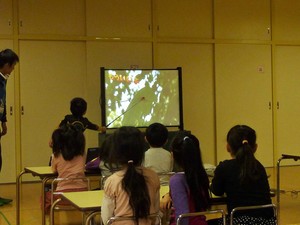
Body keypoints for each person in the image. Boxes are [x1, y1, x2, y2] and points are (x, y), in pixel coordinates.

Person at [210, 125, 275, 225]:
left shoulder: (224, 167)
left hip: (238, 220)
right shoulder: (259, 167)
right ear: (255, 147)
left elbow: (216, 191)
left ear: (228, 147)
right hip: (267, 222)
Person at [101, 126, 160, 225]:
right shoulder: (153, 176)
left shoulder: (112, 181)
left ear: (116, 152)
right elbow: (156, 211)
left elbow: (106, 218)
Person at [160, 131, 210, 225]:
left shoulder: (176, 180)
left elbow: (182, 216)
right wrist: (168, 195)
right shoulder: (200, 176)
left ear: (173, 155)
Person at [44, 124, 88, 213]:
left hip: (62, 194)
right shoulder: (82, 154)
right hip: (83, 192)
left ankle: (51, 219)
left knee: (44, 197)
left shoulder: (56, 155)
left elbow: (54, 170)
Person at [0, 48, 19, 206]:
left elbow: (2, 103)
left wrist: (3, 121)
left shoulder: (3, 79)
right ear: (6, 64)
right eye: (12, 66)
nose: (12, 70)